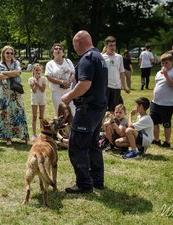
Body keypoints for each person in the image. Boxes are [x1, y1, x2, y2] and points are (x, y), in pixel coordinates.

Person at [61, 30, 108, 193]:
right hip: (99, 108)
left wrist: (68, 96)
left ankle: (84, 184)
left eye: (74, 45)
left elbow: (85, 84)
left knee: (77, 146)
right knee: (94, 145)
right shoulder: (99, 57)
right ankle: (97, 181)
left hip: (88, 110)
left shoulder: (88, 58)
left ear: (78, 43)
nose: (74, 49)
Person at [0, 45, 30, 145]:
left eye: (11, 53)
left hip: (16, 92)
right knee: (5, 114)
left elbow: (18, 72)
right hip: (4, 92)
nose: (9, 55)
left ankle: (23, 136)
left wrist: (5, 73)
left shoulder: (16, 63)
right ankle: (7, 137)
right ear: (3, 54)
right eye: (7, 53)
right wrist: (12, 73)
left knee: (18, 112)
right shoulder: (0, 64)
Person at [150, 52, 173, 148]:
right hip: (155, 102)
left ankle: (167, 142)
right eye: (162, 63)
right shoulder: (158, 73)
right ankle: (156, 140)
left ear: (172, 62)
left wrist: (166, 76)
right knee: (154, 122)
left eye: (166, 63)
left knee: (166, 123)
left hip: (167, 104)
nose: (164, 65)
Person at [45, 43, 76, 115]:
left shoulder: (68, 61)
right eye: (56, 49)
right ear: (53, 52)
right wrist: (62, 82)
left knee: (72, 111)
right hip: (56, 92)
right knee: (60, 113)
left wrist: (69, 82)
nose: (58, 50)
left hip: (69, 91)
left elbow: (73, 73)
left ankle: (71, 126)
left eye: (60, 49)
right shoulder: (50, 64)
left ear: (63, 52)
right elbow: (49, 77)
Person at [102, 36, 130, 112]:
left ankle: (112, 123)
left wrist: (125, 86)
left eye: (114, 45)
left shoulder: (119, 57)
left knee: (113, 109)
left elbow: (121, 73)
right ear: (106, 46)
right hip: (105, 87)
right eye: (111, 45)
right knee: (103, 109)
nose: (113, 47)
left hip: (116, 87)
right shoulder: (102, 57)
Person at [28, 63, 46, 139]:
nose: (38, 71)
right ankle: (34, 134)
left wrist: (38, 82)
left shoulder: (44, 79)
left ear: (41, 71)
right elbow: (34, 90)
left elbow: (43, 89)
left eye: (39, 70)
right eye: (36, 70)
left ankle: (41, 133)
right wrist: (35, 82)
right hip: (34, 98)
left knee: (41, 117)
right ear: (33, 71)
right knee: (34, 116)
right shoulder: (30, 79)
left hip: (42, 98)